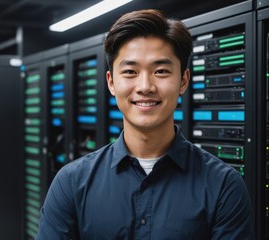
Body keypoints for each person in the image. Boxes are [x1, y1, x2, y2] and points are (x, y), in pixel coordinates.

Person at [36, 9, 254, 240]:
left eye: (160, 71)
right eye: (130, 71)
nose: (145, 86)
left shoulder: (223, 186)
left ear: (183, 80)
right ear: (111, 82)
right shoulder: (70, 183)